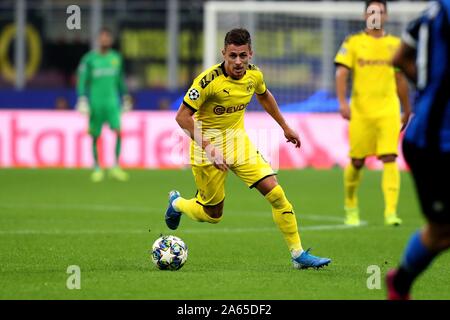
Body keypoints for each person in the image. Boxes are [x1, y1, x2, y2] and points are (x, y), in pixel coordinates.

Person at [164, 28, 331, 269]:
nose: (238, 61)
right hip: (205, 147)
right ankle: (178, 204)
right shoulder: (207, 81)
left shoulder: (254, 76)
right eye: (233, 56)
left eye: (243, 55)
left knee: (276, 193)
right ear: (224, 53)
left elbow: (264, 96)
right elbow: (182, 117)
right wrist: (211, 149)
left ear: (250, 53)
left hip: (237, 142)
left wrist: (285, 126)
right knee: (212, 215)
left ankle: (298, 254)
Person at [386, 0, 450, 300]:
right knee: (441, 232)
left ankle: (400, 282)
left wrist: (426, 91)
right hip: (435, 144)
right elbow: (398, 58)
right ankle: (400, 282)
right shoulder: (443, 12)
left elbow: (400, 56)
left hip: (431, 136)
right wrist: (430, 96)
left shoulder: (433, 11)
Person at [334, 0, 412, 226]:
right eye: (371, 11)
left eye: (379, 12)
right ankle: (351, 206)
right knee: (357, 161)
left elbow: (400, 78)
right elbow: (341, 73)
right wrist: (342, 102)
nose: (375, 15)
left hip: (388, 111)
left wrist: (407, 109)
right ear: (365, 15)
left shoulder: (396, 45)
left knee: (390, 157)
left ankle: (390, 213)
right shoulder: (354, 42)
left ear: (386, 16)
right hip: (361, 112)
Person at [75, 27, 132, 182]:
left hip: (112, 102)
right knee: (95, 135)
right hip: (96, 103)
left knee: (119, 131)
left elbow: (120, 80)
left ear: (111, 40)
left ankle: (115, 166)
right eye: (102, 37)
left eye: (107, 37)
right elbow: (82, 81)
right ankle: (97, 167)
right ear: (98, 40)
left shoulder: (116, 58)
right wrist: (81, 98)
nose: (105, 40)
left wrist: (125, 96)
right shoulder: (89, 59)